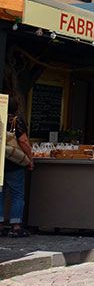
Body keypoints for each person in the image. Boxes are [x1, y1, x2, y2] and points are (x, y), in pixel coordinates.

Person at [1, 94, 33, 237]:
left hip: (1, 163)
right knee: (17, 195)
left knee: (0, 194)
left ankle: (0, 224)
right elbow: (23, 141)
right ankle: (16, 226)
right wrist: (30, 158)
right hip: (14, 163)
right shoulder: (16, 121)